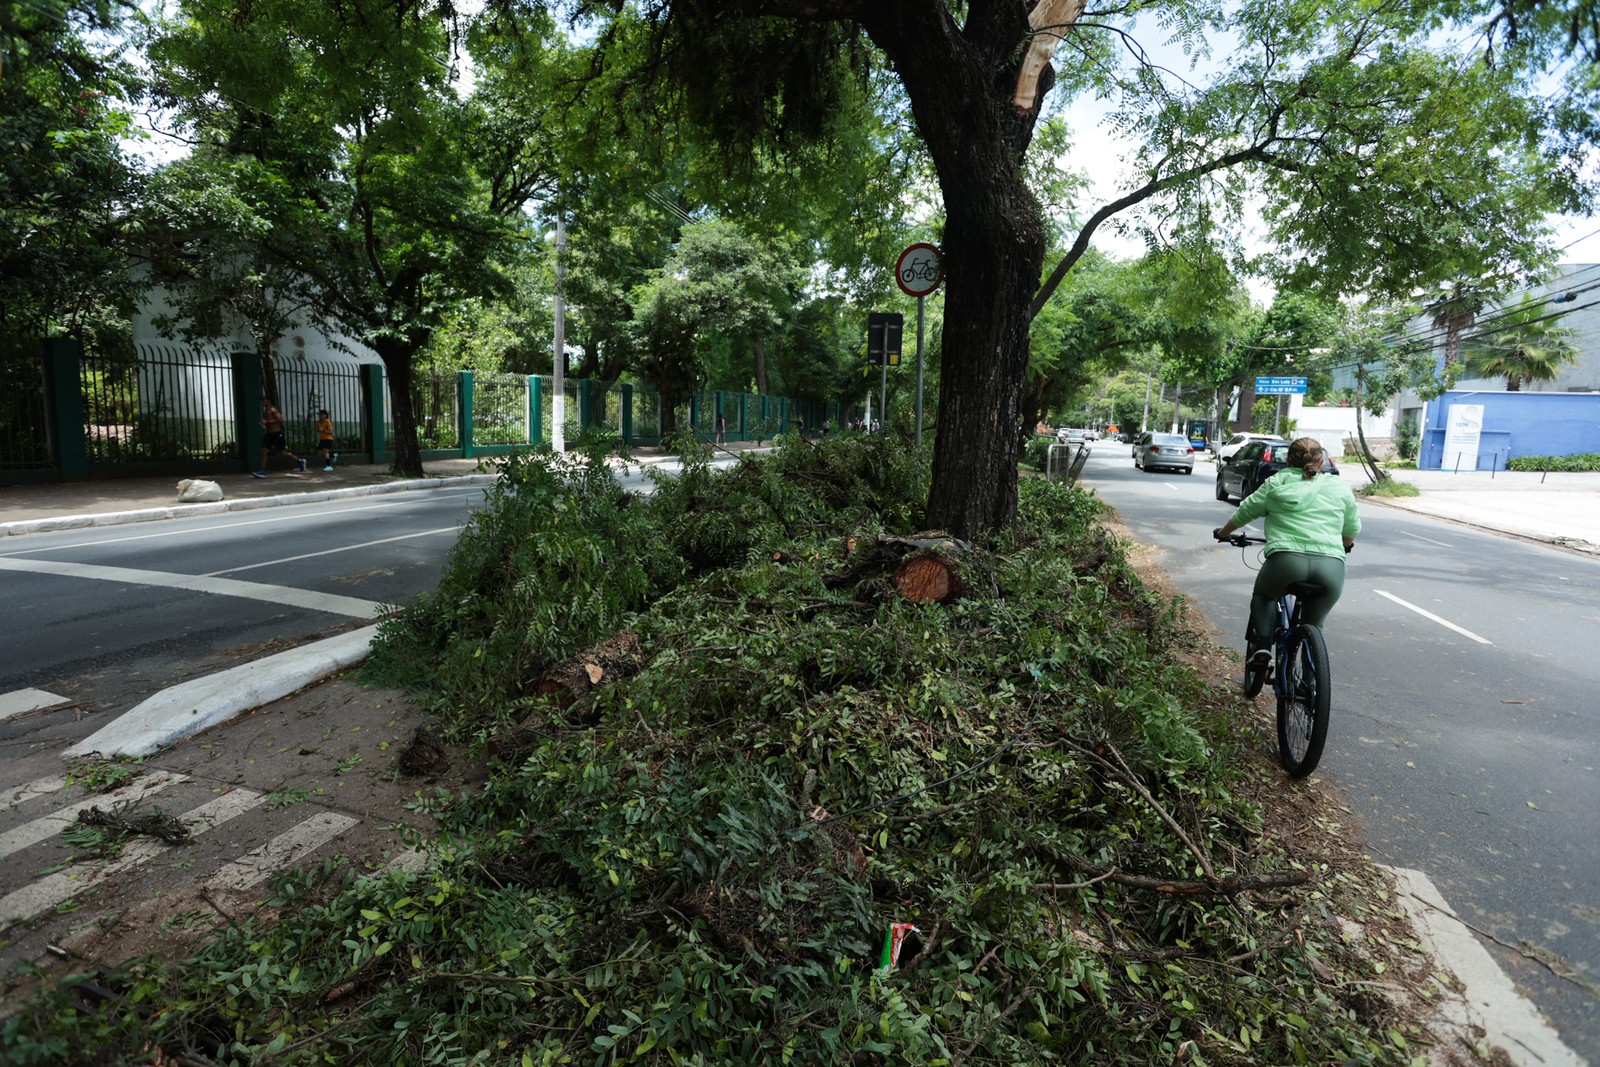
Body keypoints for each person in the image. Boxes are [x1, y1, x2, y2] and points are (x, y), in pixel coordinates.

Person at [1212, 437, 1360, 667]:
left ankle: (1262, 646)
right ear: (1322, 462)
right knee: (1315, 626)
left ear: (1288, 460)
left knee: (1264, 596)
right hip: (1331, 567)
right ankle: (1311, 683)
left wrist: (1223, 533)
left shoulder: (1276, 483)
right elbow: (1351, 528)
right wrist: (1347, 544)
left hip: (1285, 562)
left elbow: (1245, 512)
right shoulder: (1338, 486)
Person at [254, 398, 305, 477]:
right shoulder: (265, 411)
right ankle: (262, 471)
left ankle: (299, 461)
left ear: (267, 400)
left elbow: (280, 419)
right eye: (261, 400)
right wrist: (263, 423)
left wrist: (268, 422)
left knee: (283, 453)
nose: (261, 402)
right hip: (269, 434)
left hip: (277, 434)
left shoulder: (273, 409)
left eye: (263, 400)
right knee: (264, 451)